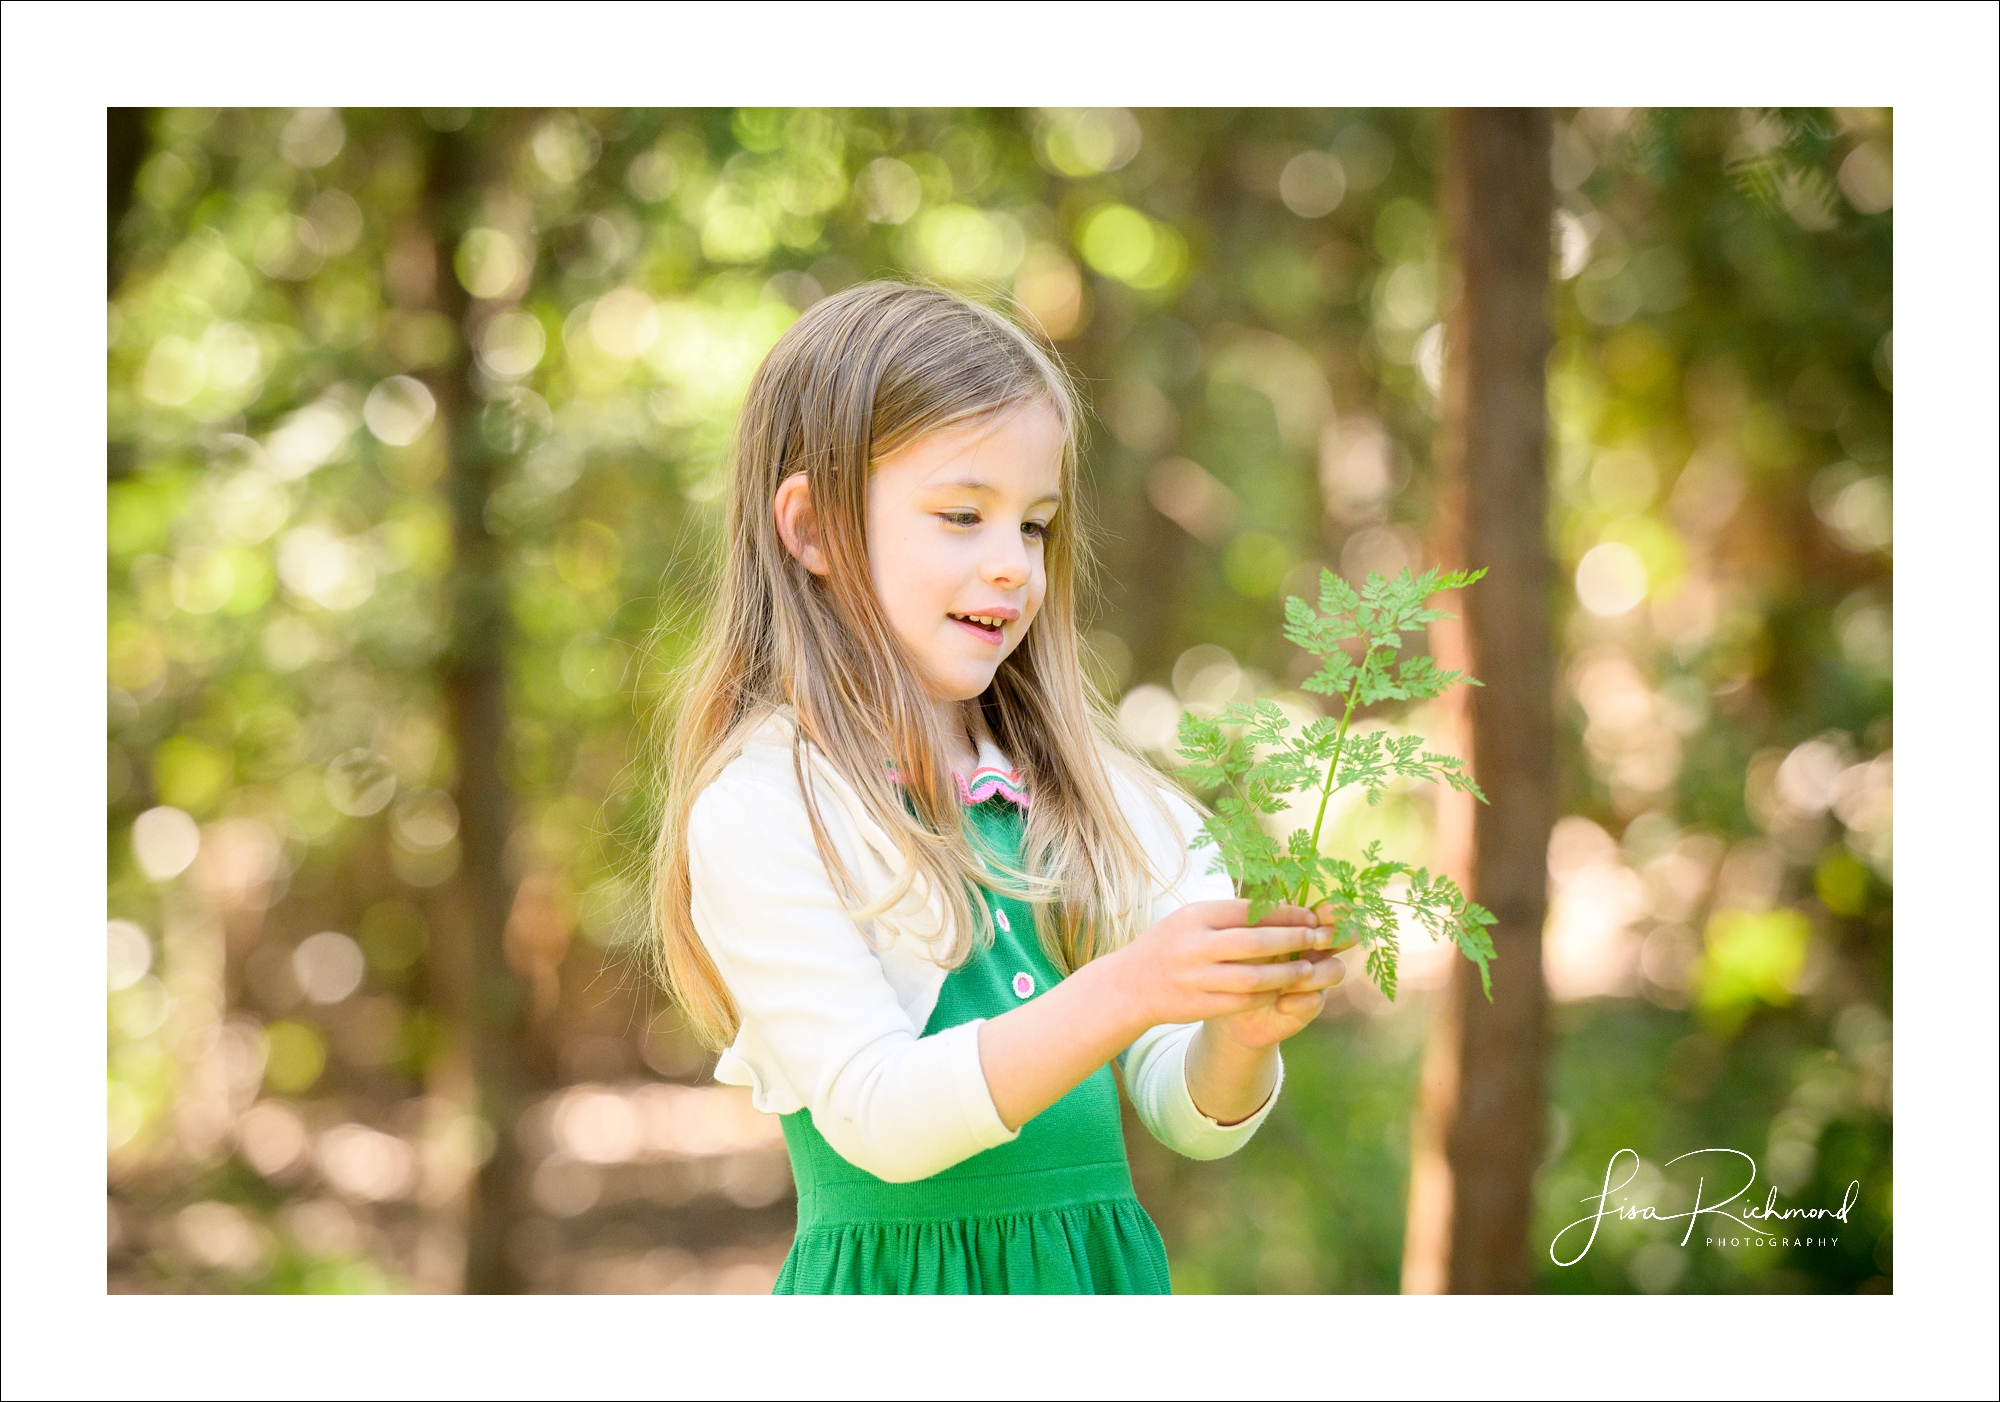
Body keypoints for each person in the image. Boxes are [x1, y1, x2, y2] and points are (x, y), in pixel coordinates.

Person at [651, 280, 1346, 1294]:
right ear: (809, 529)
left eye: (1033, 524)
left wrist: (1237, 1033)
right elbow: (880, 1114)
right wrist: (1130, 984)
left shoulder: (1093, 794)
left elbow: (1186, 1111)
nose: (1013, 564)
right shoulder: (765, 808)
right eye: (962, 514)